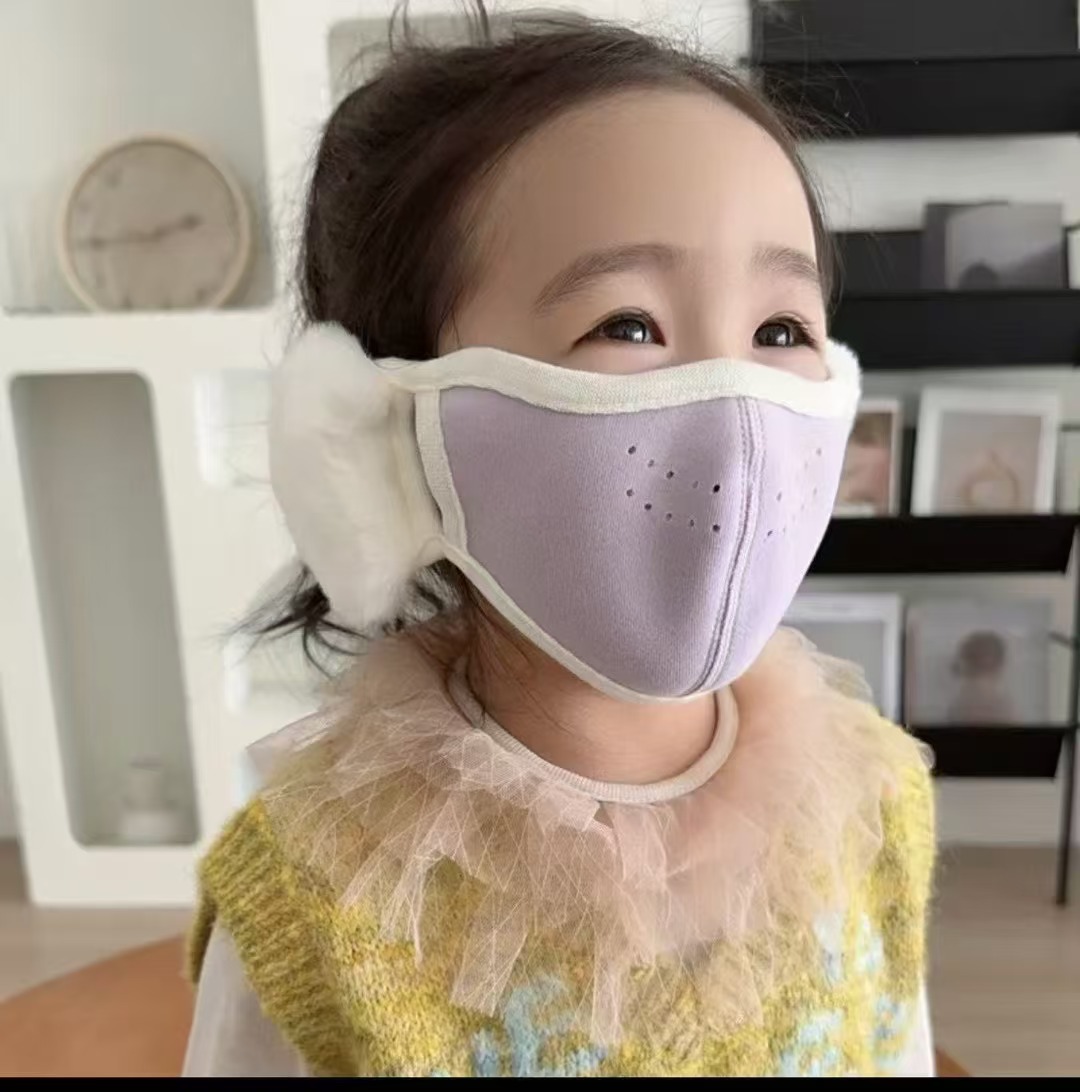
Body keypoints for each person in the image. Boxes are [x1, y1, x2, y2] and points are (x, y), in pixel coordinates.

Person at [183, 7, 935, 1077]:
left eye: (782, 330)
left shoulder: (869, 806)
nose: (736, 409)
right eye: (626, 325)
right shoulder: (318, 897)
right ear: (375, 427)